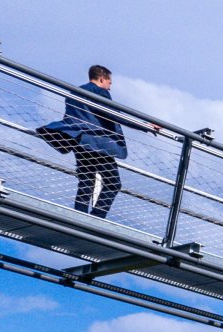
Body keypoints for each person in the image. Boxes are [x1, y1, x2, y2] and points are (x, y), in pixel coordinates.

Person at [35, 65, 153, 219]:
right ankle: (97, 217)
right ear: (102, 79)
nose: (109, 88)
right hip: (98, 143)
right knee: (113, 183)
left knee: (86, 182)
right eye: (109, 84)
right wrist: (146, 126)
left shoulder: (74, 93)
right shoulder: (99, 92)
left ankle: (80, 217)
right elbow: (114, 115)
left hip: (79, 141)